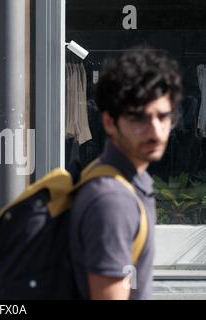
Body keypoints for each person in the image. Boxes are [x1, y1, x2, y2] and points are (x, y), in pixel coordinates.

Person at [69, 47, 183, 300]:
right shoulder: (112, 200)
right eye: (139, 118)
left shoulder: (128, 181)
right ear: (110, 122)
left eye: (163, 116)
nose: (155, 131)